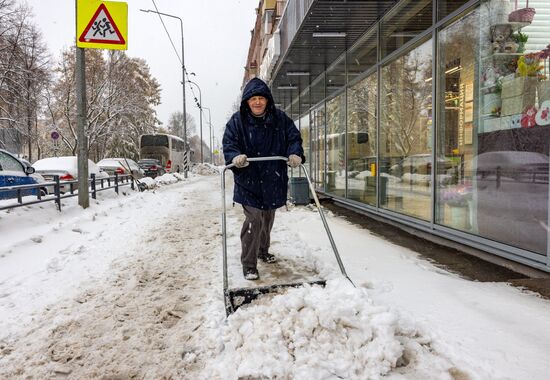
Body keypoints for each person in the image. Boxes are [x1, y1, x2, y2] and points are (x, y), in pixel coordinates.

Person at [223, 77, 305, 281]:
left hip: (273, 178)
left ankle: (262, 251)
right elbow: (229, 143)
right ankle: (249, 264)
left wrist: (295, 153)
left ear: (267, 100)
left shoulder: (280, 119)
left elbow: (293, 137)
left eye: (261, 98)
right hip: (248, 180)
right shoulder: (237, 121)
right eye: (253, 99)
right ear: (247, 102)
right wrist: (235, 157)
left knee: (267, 219)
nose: (257, 102)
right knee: (254, 220)